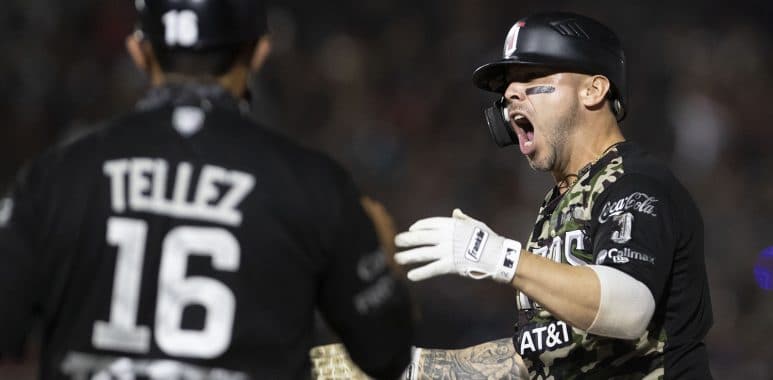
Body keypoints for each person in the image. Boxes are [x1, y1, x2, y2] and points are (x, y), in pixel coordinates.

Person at [0, 1, 413, 379]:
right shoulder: (314, 184)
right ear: (258, 51)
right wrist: (383, 260)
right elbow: (386, 354)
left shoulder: (56, 176)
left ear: (139, 52)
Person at [395, 11, 713, 379]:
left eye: (532, 77)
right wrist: (407, 371)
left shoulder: (635, 182)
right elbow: (538, 355)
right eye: (508, 86)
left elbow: (628, 309)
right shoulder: (556, 205)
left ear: (593, 89)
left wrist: (501, 256)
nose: (511, 93)